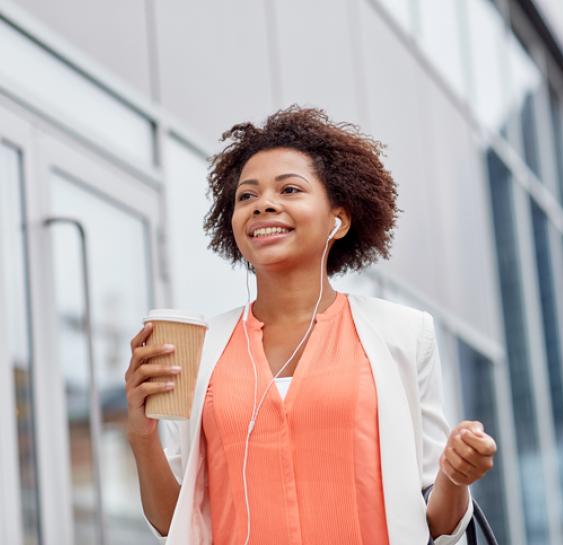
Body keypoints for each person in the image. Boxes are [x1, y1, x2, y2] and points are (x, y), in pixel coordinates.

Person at [124, 105, 497, 545]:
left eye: (290, 189)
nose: (264, 204)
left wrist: (454, 476)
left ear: (338, 219)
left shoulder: (402, 334)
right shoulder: (204, 349)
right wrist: (141, 436)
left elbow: (437, 523)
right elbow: (176, 525)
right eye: (247, 196)